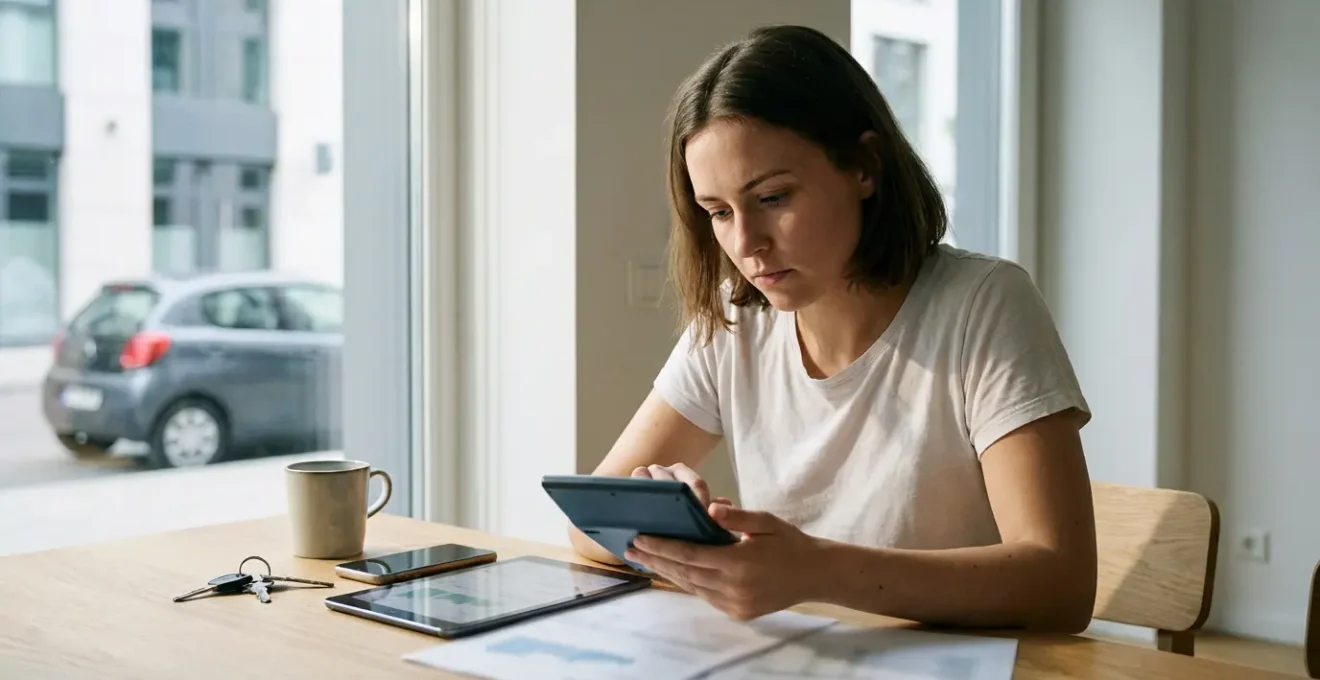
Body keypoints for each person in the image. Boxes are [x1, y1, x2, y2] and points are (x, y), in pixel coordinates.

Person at [568, 24, 1097, 633]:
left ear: (864, 167)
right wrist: (668, 525)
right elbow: (586, 521)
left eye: (772, 197)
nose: (747, 244)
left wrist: (816, 571)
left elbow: (1061, 584)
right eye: (718, 212)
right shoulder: (737, 320)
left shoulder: (983, 304)